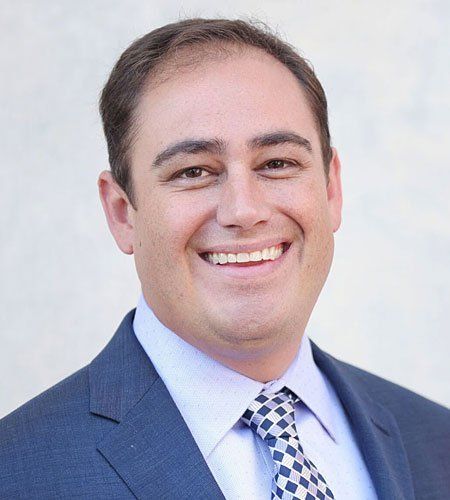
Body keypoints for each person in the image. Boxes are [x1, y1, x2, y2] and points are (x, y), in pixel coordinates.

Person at [0, 18, 448, 500]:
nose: (244, 210)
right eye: (193, 171)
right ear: (121, 213)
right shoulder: (18, 474)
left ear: (331, 189)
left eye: (277, 163)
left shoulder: (437, 443)